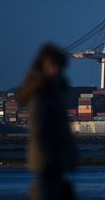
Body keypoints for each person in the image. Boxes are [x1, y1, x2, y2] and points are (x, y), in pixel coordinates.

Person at [19, 44, 77, 200]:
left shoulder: (57, 91)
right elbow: (38, 130)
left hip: (59, 162)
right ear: (43, 64)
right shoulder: (40, 94)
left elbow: (63, 130)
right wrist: (48, 157)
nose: (56, 69)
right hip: (46, 162)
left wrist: (71, 156)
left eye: (59, 65)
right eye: (52, 64)